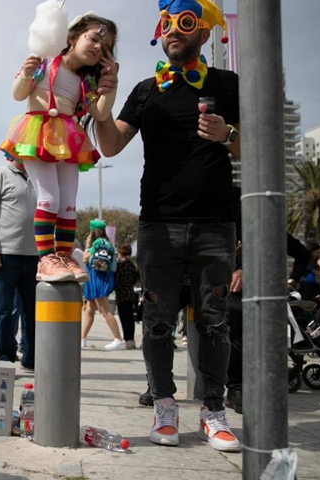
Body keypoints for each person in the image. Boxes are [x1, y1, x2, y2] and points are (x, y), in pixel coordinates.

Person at [94, 0, 241, 451]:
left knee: (215, 323)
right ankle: (164, 408)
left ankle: (213, 413)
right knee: (157, 321)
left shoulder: (227, 84)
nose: (175, 31)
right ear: (161, 32)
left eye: (186, 23)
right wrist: (104, 103)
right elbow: (112, 145)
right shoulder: (145, 89)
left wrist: (229, 136)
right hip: (158, 223)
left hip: (216, 223)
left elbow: (259, 149)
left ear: (203, 32)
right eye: (168, 24)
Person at [0, 12, 119, 283]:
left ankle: (64, 256)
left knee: (68, 204)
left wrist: (111, 85)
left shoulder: (86, 81)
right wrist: (26, 74)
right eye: (94, 38)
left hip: (70, 139)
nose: (99, 47)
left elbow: (99, 114)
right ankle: (46, 260)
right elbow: (19, 94)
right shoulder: (45, 61)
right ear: (72, 36)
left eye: (106, 46)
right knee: (49, 198)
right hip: (37, 133)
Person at [0, 158, 38, 369]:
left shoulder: (40, 175)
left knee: (33, 311)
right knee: (4, 310)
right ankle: (5, 357)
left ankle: (31, 358)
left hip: (35, 256)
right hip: (6, 255)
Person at [80, 220, 125, 350]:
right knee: (90, 309)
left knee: (104, 310)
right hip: (104, 277)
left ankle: (118, 339)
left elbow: (85, 258)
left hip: (97, 278)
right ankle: (82, 338)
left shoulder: (96, 243)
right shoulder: (109, 244)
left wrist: (87, 245)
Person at [114, 243, 140, 349]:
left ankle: (126, 339)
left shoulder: (119, 265)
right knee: (130, 318)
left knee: (124, 318)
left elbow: (117, 279)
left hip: (121, 295)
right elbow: (135, 279)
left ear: (120, 253)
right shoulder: (131, 265)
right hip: (130, 294)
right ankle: (131, 340)